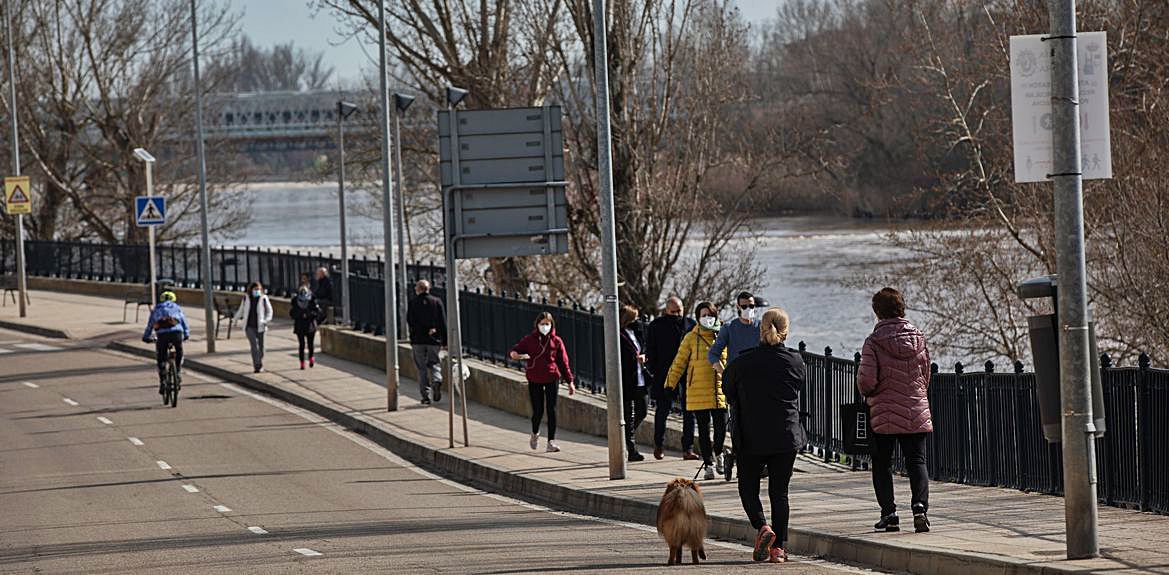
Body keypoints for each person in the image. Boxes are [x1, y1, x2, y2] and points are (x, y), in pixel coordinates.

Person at [722, 307, 806, 564]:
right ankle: (778, 548)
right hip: (785, 436)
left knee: (748, 488)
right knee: (779, 493)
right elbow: (797, 387)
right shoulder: (795, 361)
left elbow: (728, 393)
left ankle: (762, 527)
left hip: (751, 437)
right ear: (785, 332)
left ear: (760, 330)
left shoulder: (742, 363)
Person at [857, 287, 933, 534]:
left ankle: (889, 514)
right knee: (917, 461)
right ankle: (920, 507)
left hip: (884, 412)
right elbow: (925, 375)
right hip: (915, 407)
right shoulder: (919, 338)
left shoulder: (874, 342)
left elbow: (867, 381)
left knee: (882, 463)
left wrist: (869, 393)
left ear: (877, 312)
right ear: (902, 309)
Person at [664, 301, 727, 480]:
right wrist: (670, 384)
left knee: (721, 428)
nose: (707, 318)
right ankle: (708, 464)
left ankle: (719, 453)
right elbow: (679, 362)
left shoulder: (723, 335)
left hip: (720, 390)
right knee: (704, 430)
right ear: (698, 318)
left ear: (715, 315)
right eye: (703, 315)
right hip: (697, 390)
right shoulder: (691, 338)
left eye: (710, 315)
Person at [509, 312, 575, 453]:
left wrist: (570, 381)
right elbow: (515, 351)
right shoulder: (530, 340)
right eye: (542, 324)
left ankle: (551, 442)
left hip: (552, 377)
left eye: (547, 324)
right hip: (535, 378)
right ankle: (535, 433)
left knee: (552, 410)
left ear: (552, 325)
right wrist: (516, 354)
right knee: (538, 411)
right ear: (537, 325)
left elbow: (563, 362)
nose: (545, 326)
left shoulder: (556, 341)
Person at [646, 296, 698, 461]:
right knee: (662, 411)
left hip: (687, 374)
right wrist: (654, 371)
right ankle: (659, 445)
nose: (677, 314)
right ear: (666, 311)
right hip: (665, 374)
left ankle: (687, 449)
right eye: (673, 311)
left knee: (689, 412)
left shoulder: (690, 325)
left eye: (679, 310)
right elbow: (651, 351)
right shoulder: (656, 326)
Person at [619, 304, 651, 462]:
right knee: (628, 415)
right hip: (627, 380)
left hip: (640, 379)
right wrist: (634, 359)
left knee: (642, 411)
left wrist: (644, 357)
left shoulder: (636, 332)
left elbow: (643, 348)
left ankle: (626, 435)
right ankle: (631, 449)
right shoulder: (619, 335)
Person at [406, 279, 446, 405]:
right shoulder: (437, 301)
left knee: (421, 368)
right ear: (428, 289)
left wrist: (416, 334)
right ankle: (436, 380)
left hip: (418, 340)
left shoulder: (413, 303)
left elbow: (410, 321)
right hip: (433, 339)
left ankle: (425, 396)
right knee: (434, 362)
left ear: (418, 289)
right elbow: (442, 322)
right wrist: (444, 340)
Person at [142, 290, 190, 394]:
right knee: (179, 351)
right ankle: (177, 371)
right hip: (176, 333)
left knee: (161, 357)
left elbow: (150, 324)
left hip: (162, 335)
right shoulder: (177, 308)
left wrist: (146, 337)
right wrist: (186, 334)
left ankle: (163, 381)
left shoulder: (156, 309)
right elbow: (184, 322)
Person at [708, 291, 762, 374]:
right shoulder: (728, 328)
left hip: (758, 375)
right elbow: (713, 354)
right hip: (736, 377)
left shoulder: (762, 327)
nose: (748, 309)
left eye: (751, 306)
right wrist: (725, 374)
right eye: (744, 306)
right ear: (738, 307)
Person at [234, 281, 274, 373]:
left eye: (259, 289)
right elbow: (241, 310)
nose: (257, 291)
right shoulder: (246, 298)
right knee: (254, 346)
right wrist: (235, 319)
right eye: (255, 289)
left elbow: (269, 311)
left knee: (262, 347)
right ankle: (257, 365)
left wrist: (266, 320)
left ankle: (259, 362)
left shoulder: (263, 298)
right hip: (249, 326)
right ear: (251, 290)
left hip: (261, 326)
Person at [289, 286, 322, 370]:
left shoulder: (312, 301)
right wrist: (300, 315)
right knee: (302, 345)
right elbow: (292, 313)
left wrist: (308, 314)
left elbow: (317, 312)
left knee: (310, 344)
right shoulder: (295, 301)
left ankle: (311, 358)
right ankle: (302, 362)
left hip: (310, 325)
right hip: (300, 326)